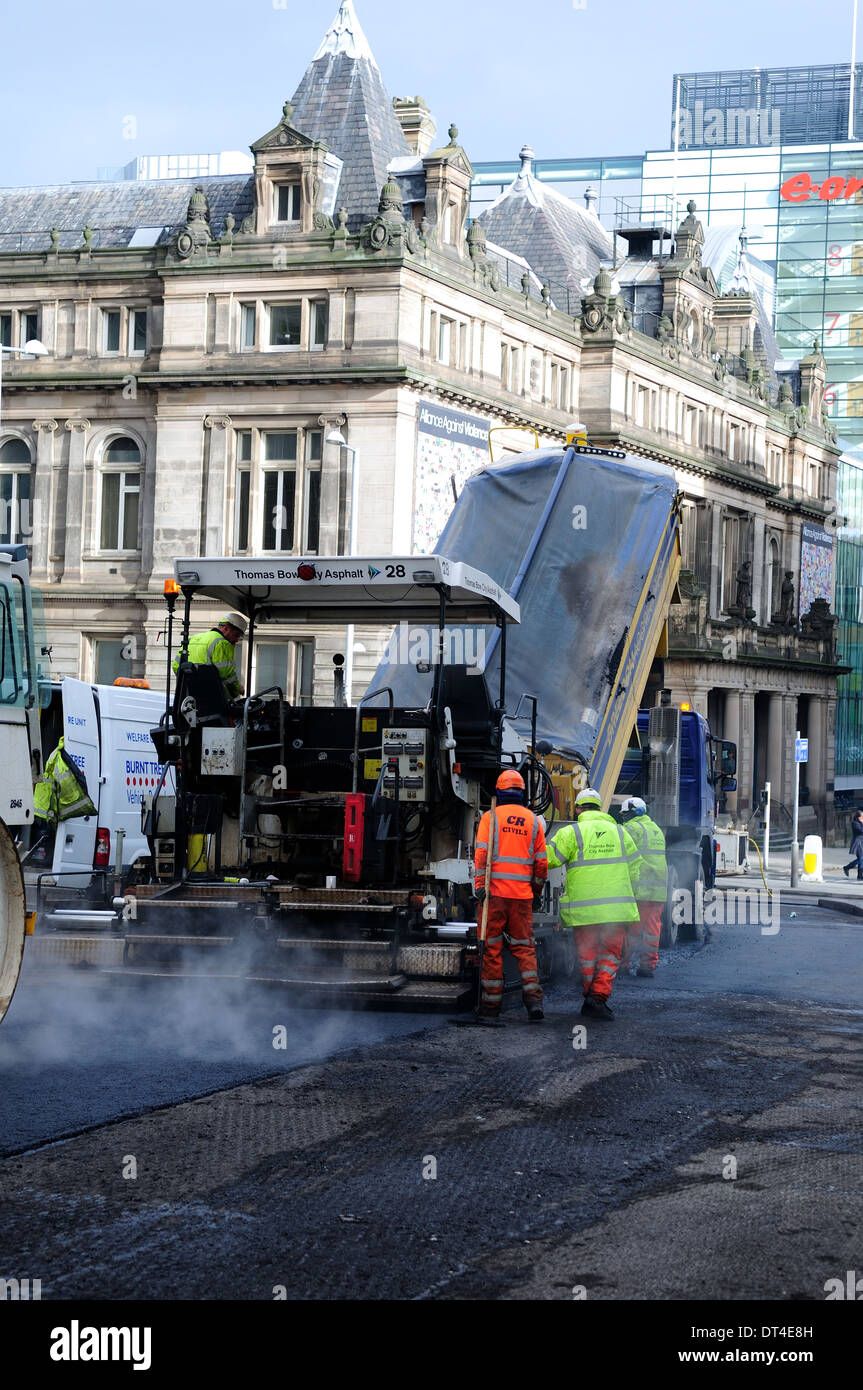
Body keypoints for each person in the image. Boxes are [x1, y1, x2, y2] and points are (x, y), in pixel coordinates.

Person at [546, 787, 643, 1021]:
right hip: (615, 910)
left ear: (578, 809)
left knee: (587, 955)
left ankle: (590, 996)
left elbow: (549, 860)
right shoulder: (620, 833)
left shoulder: (572, 833)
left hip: (584, 912)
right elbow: (635, 870)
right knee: (610, 956)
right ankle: (598, 998)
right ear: (600, 808)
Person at [474, 769, 548, 1022]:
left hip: (493, 895)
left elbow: (482, 855)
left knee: (491, 949)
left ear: (499, 791)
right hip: (521, 897)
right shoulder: (534, 821)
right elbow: (541, 863)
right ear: (522, 793)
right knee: (525, 949)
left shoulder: (490, 818)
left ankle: (491, 1008)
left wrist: (478, 885)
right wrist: (535, 891)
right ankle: (534, 1002)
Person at [618, 796, 667, 978]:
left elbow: (620, 851)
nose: (623, 819)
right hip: (658, 890)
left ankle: (623, 964)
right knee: (652, 929)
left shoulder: (631, 828)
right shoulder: (656, 829)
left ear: (631, 814)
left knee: (631, 928)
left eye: (624, 815)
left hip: (640, 890)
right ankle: (648, 966)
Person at [31, 736, 97, 862]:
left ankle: (42, 858)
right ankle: (44, 859)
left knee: (44, 833)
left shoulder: (56, 755)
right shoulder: (60, 757)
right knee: (46, 834)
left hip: (43, 803)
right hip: (47, 804)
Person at [173, 613, 247, 700]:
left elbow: (176, 666)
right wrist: (237, 690)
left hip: (187, 697)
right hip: (211, 701)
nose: (236, 640)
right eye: (236, 635)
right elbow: (226, 674)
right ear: (226, 628)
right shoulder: (222, 643)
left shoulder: (193, 638)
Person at [843, 809, 863, 880]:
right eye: (862, 817)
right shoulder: (855, 823)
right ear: (858, 817)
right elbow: (860, 831)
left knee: (861, 859)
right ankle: (847, 867)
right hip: (858, 843)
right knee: (861, 858)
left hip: (862, 842)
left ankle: (859, 875)